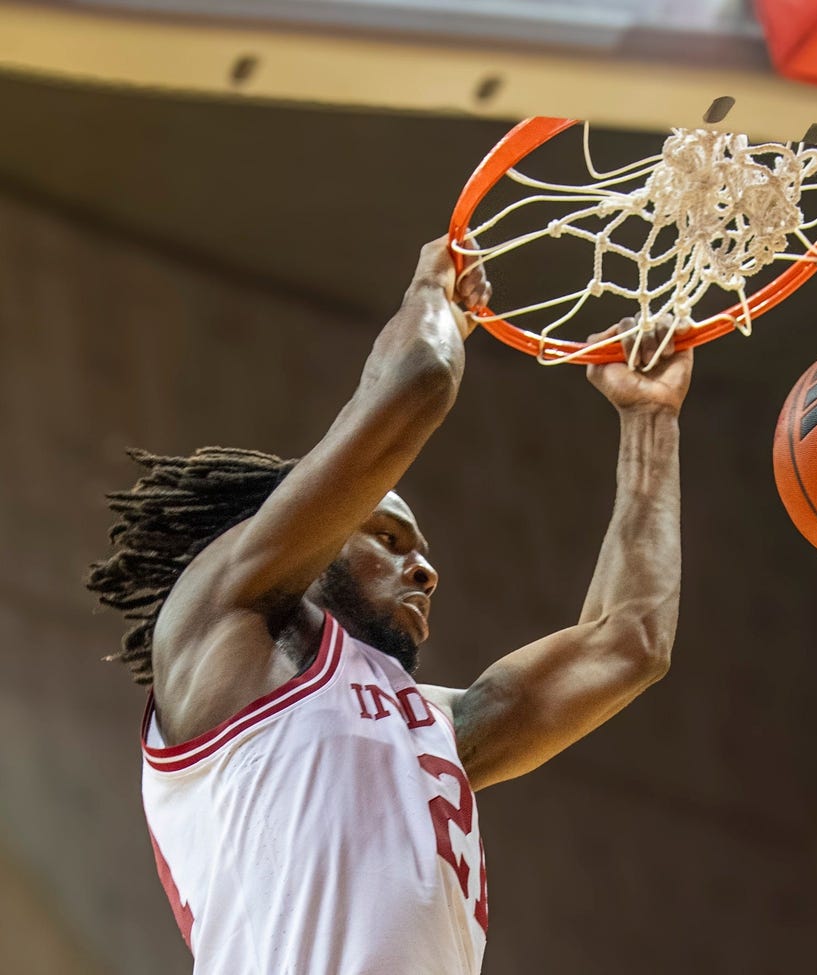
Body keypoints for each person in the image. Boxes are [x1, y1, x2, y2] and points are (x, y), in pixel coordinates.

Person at [87, 235, 693, 975]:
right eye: (388, 535)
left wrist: (650, 420)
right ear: (310, 537)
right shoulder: (221, 623)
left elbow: (628, 641)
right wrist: (431, 296)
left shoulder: (436, 726)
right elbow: (420, 377)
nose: (426, 568)